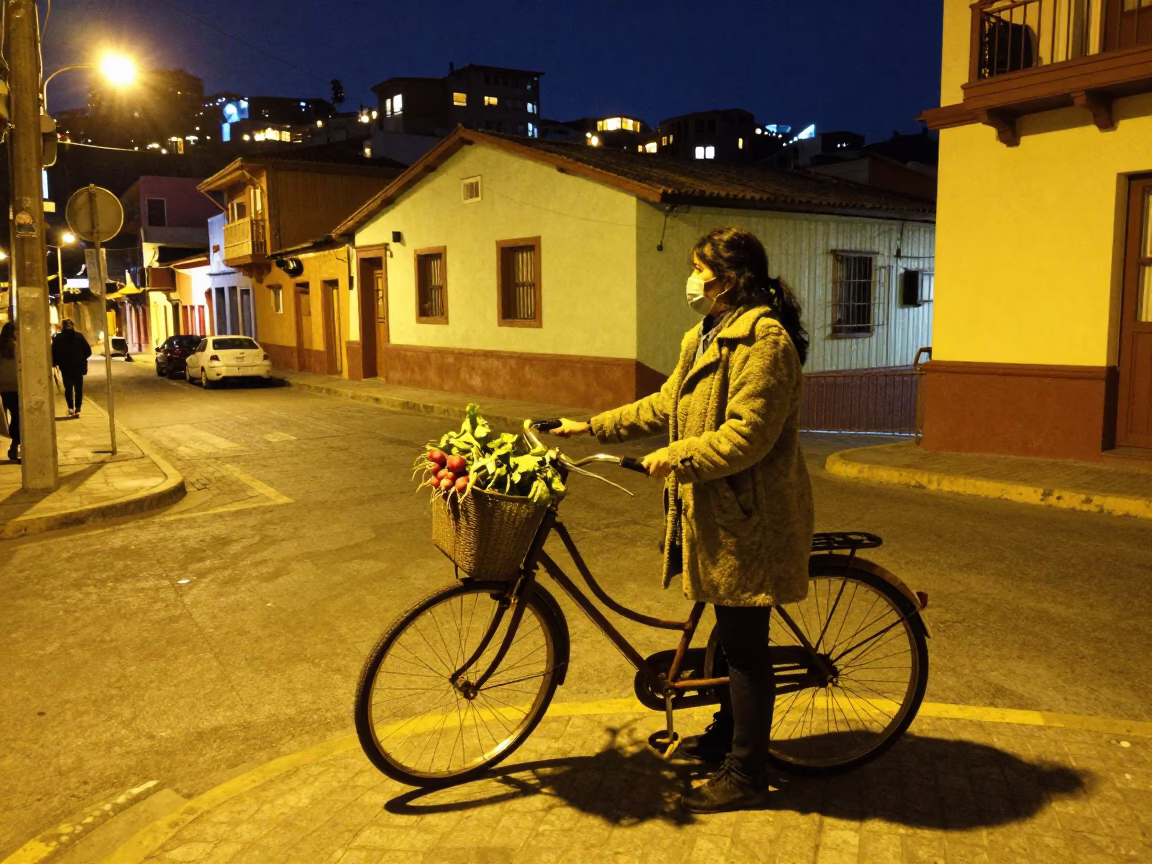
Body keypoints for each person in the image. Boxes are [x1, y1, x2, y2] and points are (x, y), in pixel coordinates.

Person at [551, 226, 814, 813]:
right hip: (714, 511)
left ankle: (747, 774)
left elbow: (749, 435)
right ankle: (727, 735)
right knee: (727, 630)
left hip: (751, 517)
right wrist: (592, 425)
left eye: (699, 270)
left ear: (729, 280)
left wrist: (678, 456)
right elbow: (667, 402)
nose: (690, 281)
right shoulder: (704, 334)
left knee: (746, 649)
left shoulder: (764, 342)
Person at [51, 318, 92, 417]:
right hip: (78, 367)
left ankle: (70, 408)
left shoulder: (58, 338)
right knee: (78, 388)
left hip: (65, 368)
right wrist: (81, 358)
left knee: (68, 388)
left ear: (62, 327)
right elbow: (88, 351)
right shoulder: (79, 336)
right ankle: (78, 408)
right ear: (72, 326)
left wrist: (55, 362)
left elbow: (53, 353)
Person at [0, 322, 20, 462]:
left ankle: (12, 443)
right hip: (16, 386)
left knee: (6, 417)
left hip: (2, 387)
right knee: (17, 417)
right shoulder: (17, 346)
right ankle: (14, 444)